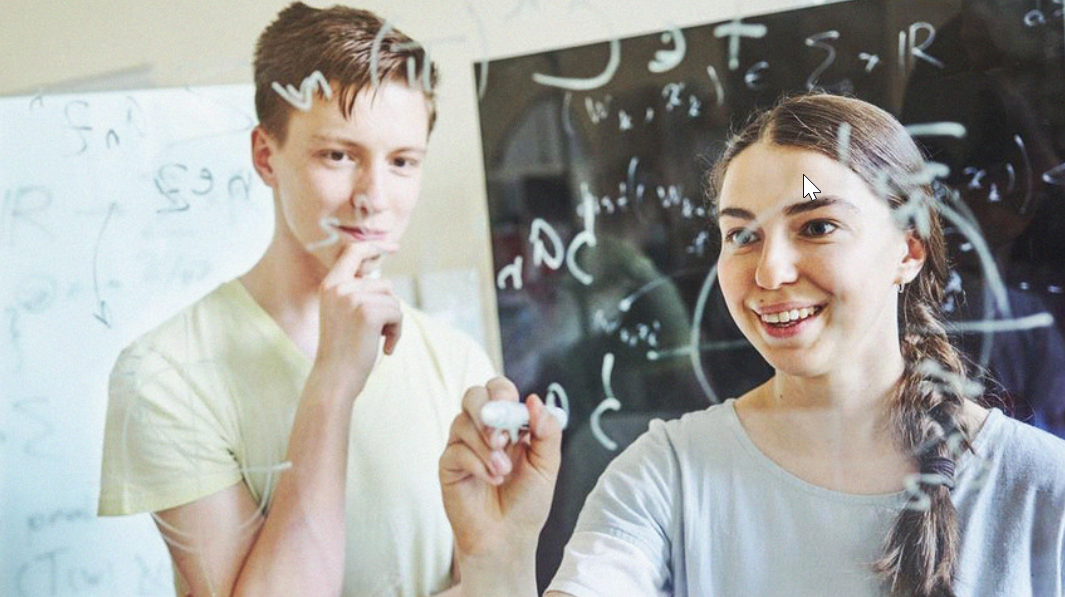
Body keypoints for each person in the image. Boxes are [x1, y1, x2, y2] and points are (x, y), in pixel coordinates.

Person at [439, 93, 1065, 596]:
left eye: (817, 226)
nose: (769, 273)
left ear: (906, 251)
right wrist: (499, 561)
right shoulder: (662, 476)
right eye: (741, 236)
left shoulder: (1042, 490)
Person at [97, 4, 495, 596]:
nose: (375, 198)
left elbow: (494, 583)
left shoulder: (457, 362)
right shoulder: (164, 375)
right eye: (338, 155)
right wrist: (332, 382)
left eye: (403, 162)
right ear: (266, 156)